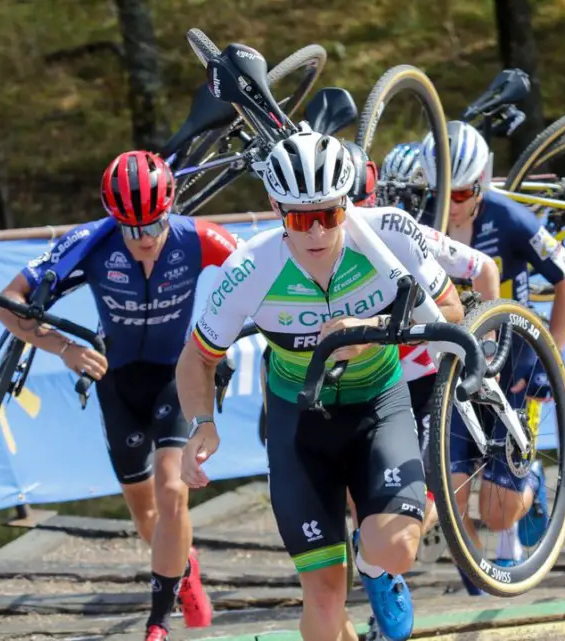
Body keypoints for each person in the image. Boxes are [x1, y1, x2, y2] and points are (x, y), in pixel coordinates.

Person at [175, 123, 466, 641]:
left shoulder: (388, 235)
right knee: (326, 597)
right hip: (299, 426)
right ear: (275, 207)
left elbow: (450, 312)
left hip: (379, 404)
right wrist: (201, 424)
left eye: (328, 215)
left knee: (395, 548)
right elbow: (195, 358)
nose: (314, 233)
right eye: (300, 218)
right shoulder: (249, 268)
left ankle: (375, 568)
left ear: (346, 203)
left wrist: (375, 333)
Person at [0, 150, 225, 641]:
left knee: (172, 492)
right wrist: (63, 348)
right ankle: (184, 566)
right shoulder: (91, 241)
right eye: (130, 228)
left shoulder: (196, 236)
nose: (142, 240)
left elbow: (261, 273)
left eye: (153, 226)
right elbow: (6, 304)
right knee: (145, 513)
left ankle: (157, 623)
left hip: (174, 377)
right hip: (114, 380)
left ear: (171, 208)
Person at [417, 121, 565, 593]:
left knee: (496, 509)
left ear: (484, 181)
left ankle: (524, 492)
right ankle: (475, 574)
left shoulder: (509, 218)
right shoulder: (424, 220)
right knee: (451, 491)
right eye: (444, 191)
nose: (453, 203)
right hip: (460, 365)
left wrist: (551, 352)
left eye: (464, 191)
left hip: (515, 367)